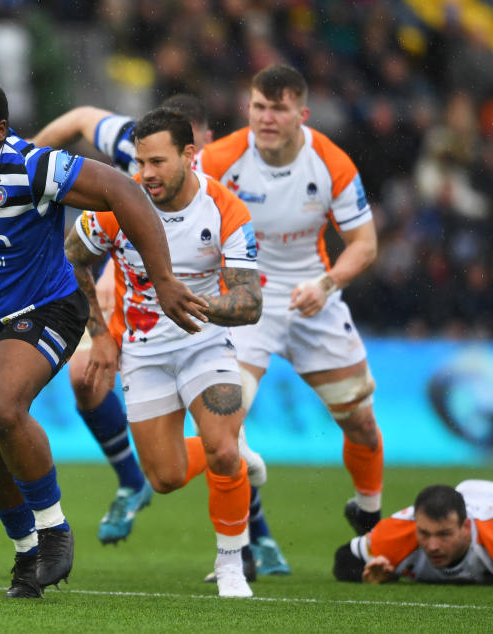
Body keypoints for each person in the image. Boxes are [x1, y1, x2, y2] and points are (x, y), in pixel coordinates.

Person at [0, 80, 208, 598]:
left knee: (0, 406)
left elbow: (125, 190)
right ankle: (27, 557)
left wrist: (162, 278)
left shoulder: (33, 168)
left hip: (46, 308)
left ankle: (54, 530)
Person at [34, 95, 289, 577]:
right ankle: (236, 452)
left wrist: (196, 305)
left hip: (204, 340)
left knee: (221, 448)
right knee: (166, 477)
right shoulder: (119, 202)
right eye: (139, 161)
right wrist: (103, 337)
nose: (146, 172)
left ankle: (231, 566)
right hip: (144, 349)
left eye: (157, 162)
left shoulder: (226, 210)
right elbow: (72, 257)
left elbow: (249, 303)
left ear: (190, 156)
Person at [196, 64, 383, 537]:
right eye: (259, 107)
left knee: (359, 420)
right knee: (222, 432)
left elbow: (364, 243)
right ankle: (236, 552)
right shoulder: (220, 159)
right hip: (244, 298)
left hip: (313, 295)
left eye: (278, 109)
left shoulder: (331, 163)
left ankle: (368, 511)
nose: (266, 118)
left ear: (302, 112)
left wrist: (327, 284)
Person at [334, 480, 493, 584]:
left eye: (444, 534)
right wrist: (365, 574)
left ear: (466, 527)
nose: (432, 546)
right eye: (424, 533)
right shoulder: (401, 531)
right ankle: (368, 529)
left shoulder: (488, 533)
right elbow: (344, 557)